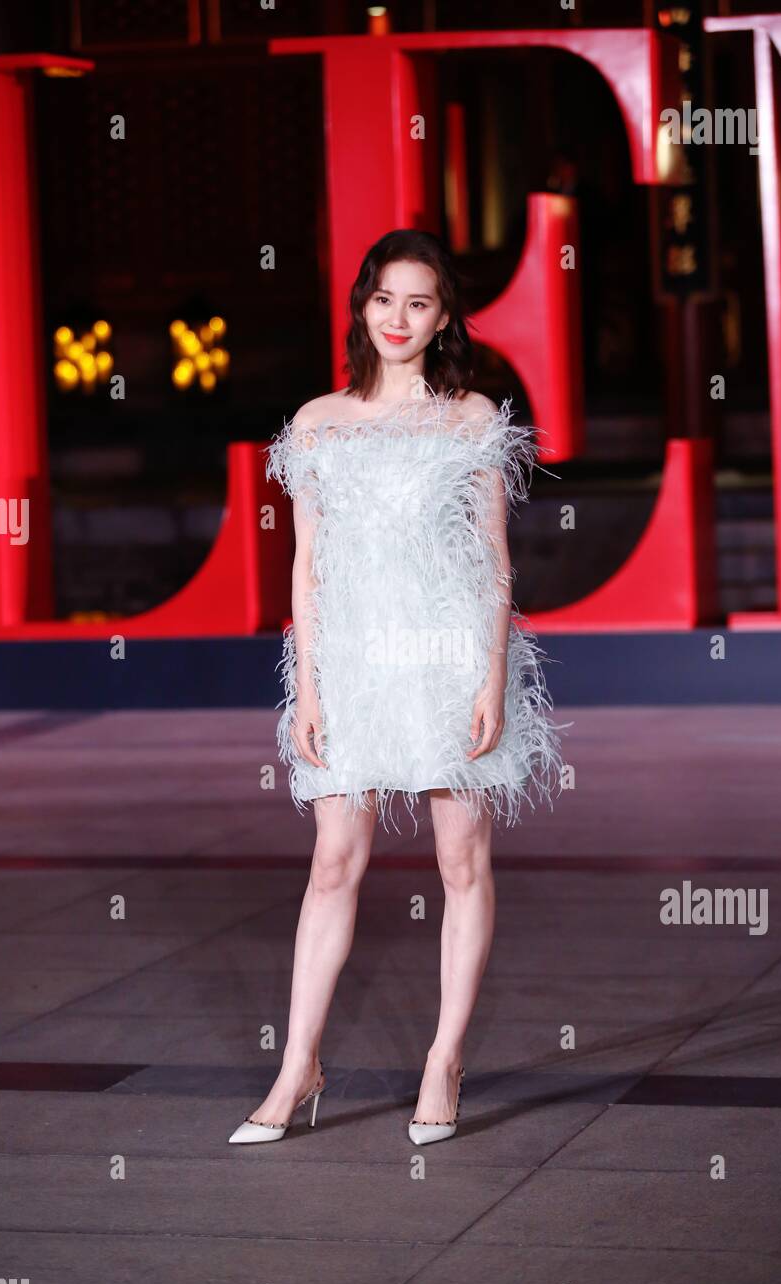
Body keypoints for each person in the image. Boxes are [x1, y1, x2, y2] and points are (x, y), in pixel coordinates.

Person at [229, 229, 570, 1148]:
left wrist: (494, 674)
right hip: (354, 662)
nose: (399, 318)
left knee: (461, 859)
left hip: (449, 652)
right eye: (385, 298)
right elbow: (307, 565)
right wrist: (307, 687)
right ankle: (299, 1066)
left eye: (419, 302)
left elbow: (495, 559)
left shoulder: (470, 418)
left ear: (444, 317)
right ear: (362, 305)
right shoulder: (317, 422)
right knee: (335, 857)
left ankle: (442, 1059)